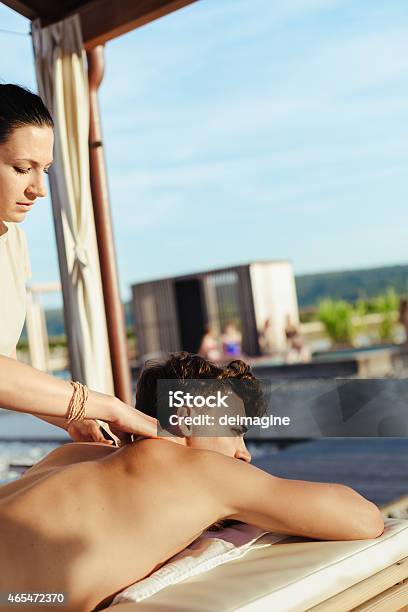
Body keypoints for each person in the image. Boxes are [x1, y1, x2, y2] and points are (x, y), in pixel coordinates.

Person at [0, 352, 384, 612]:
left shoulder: (70, 456)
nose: (244, 453)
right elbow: (363, 518)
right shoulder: (199, 471)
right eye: (235, 429)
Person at [0, 83, 157, 443]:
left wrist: (68, 419)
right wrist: (104, 406)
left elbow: (5, 362)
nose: (39, 188)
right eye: (23, 168)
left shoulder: (12, 239)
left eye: (46, 170)